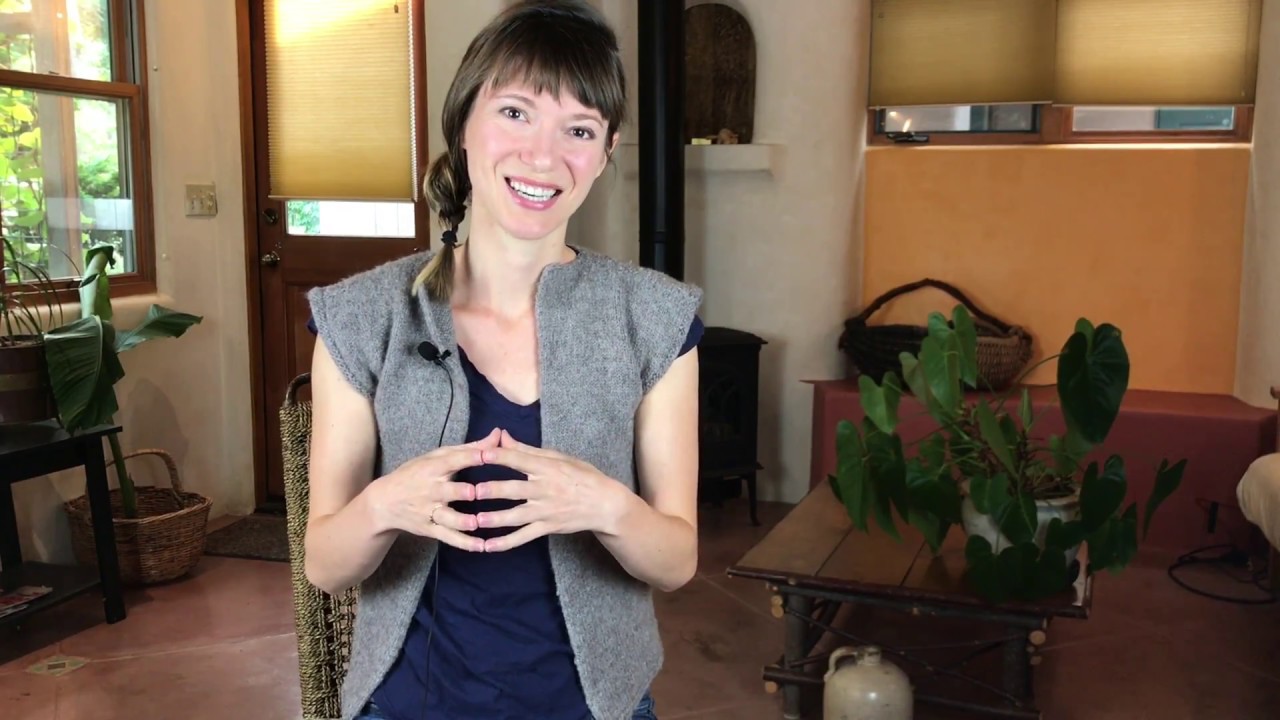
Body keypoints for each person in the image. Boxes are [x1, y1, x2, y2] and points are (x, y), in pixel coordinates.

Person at [302, 2, 704, 719]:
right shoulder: (363, 316)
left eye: (579, 129)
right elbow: (325, 566)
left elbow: (676, 563)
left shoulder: (654, 317)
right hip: (406, 706)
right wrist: (388, 503)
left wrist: (605, 504)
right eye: (516, 113)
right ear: (463, 122)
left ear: (606, 151)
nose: (543, 156)